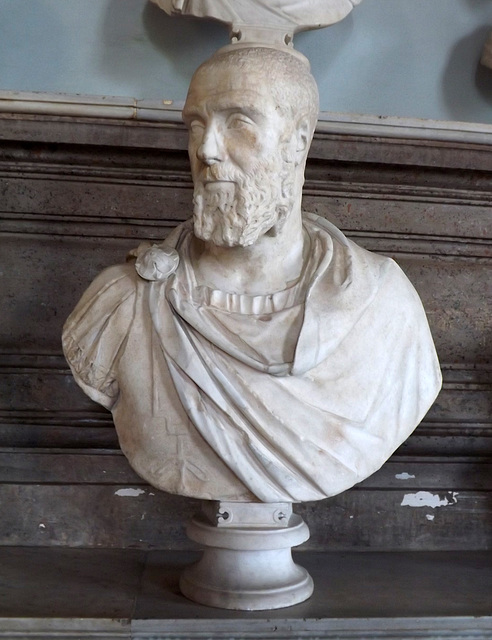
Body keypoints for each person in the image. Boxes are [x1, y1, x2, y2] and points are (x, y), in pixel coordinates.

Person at [63, 46, 441, 503]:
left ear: (298, 141)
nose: (206, 148)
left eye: (238, 123)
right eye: (196, 125)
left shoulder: (383, 308)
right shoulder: (122, 302)